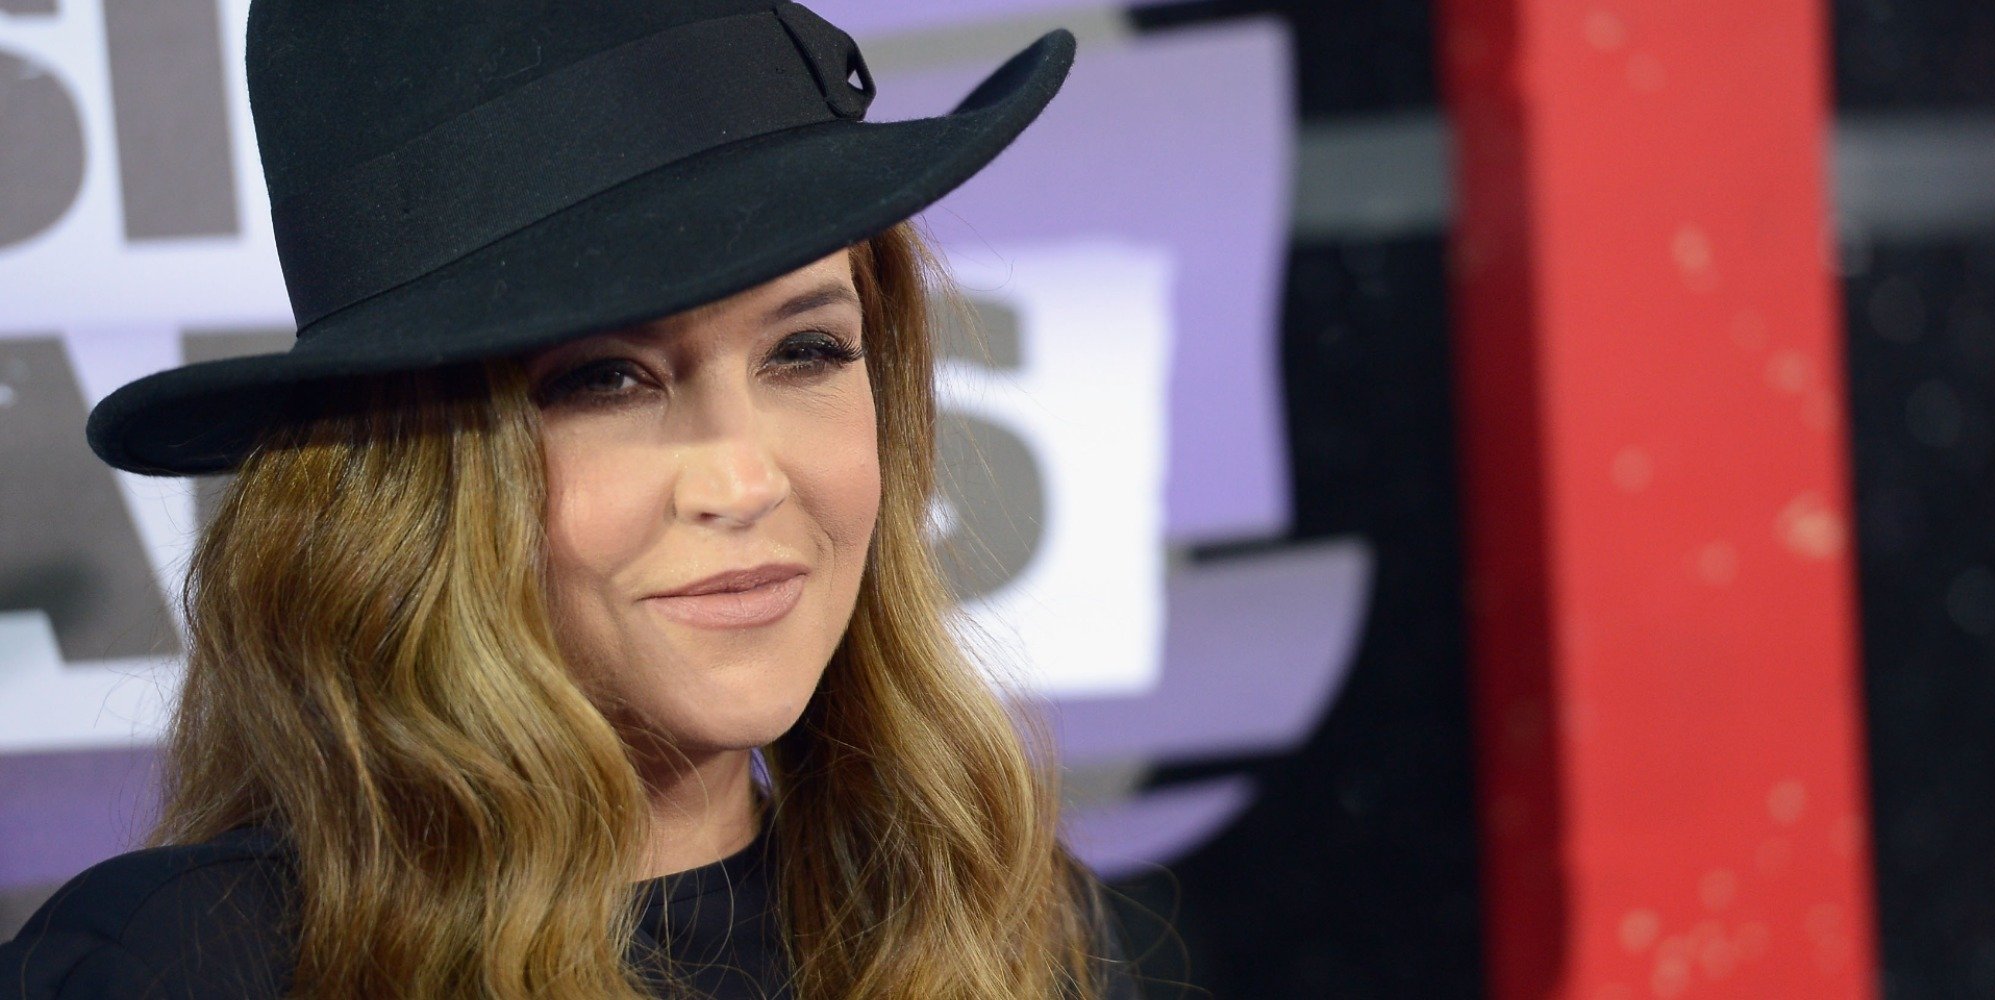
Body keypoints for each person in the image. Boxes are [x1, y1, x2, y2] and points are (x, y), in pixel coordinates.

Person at [0, 1, 1141, 997]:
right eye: (605, 379)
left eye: (804, 351)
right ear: (407, 488)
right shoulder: (188, 964)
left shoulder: (1010, 929)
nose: (742, 480)